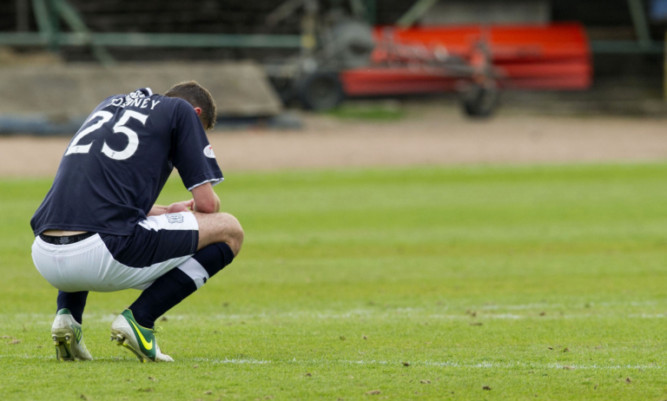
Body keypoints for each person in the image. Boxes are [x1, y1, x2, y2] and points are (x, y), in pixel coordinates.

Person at [30, 81, 244, 362]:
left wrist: (169, 212)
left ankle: (67, 317)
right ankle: (141, 319)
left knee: (86, 212)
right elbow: (206, 204)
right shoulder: (182, 112)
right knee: (230, 230)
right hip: (100, 253)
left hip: (45, 255)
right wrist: (197, 209)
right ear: (196, 113)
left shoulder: (109, 104)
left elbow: (107, 201)